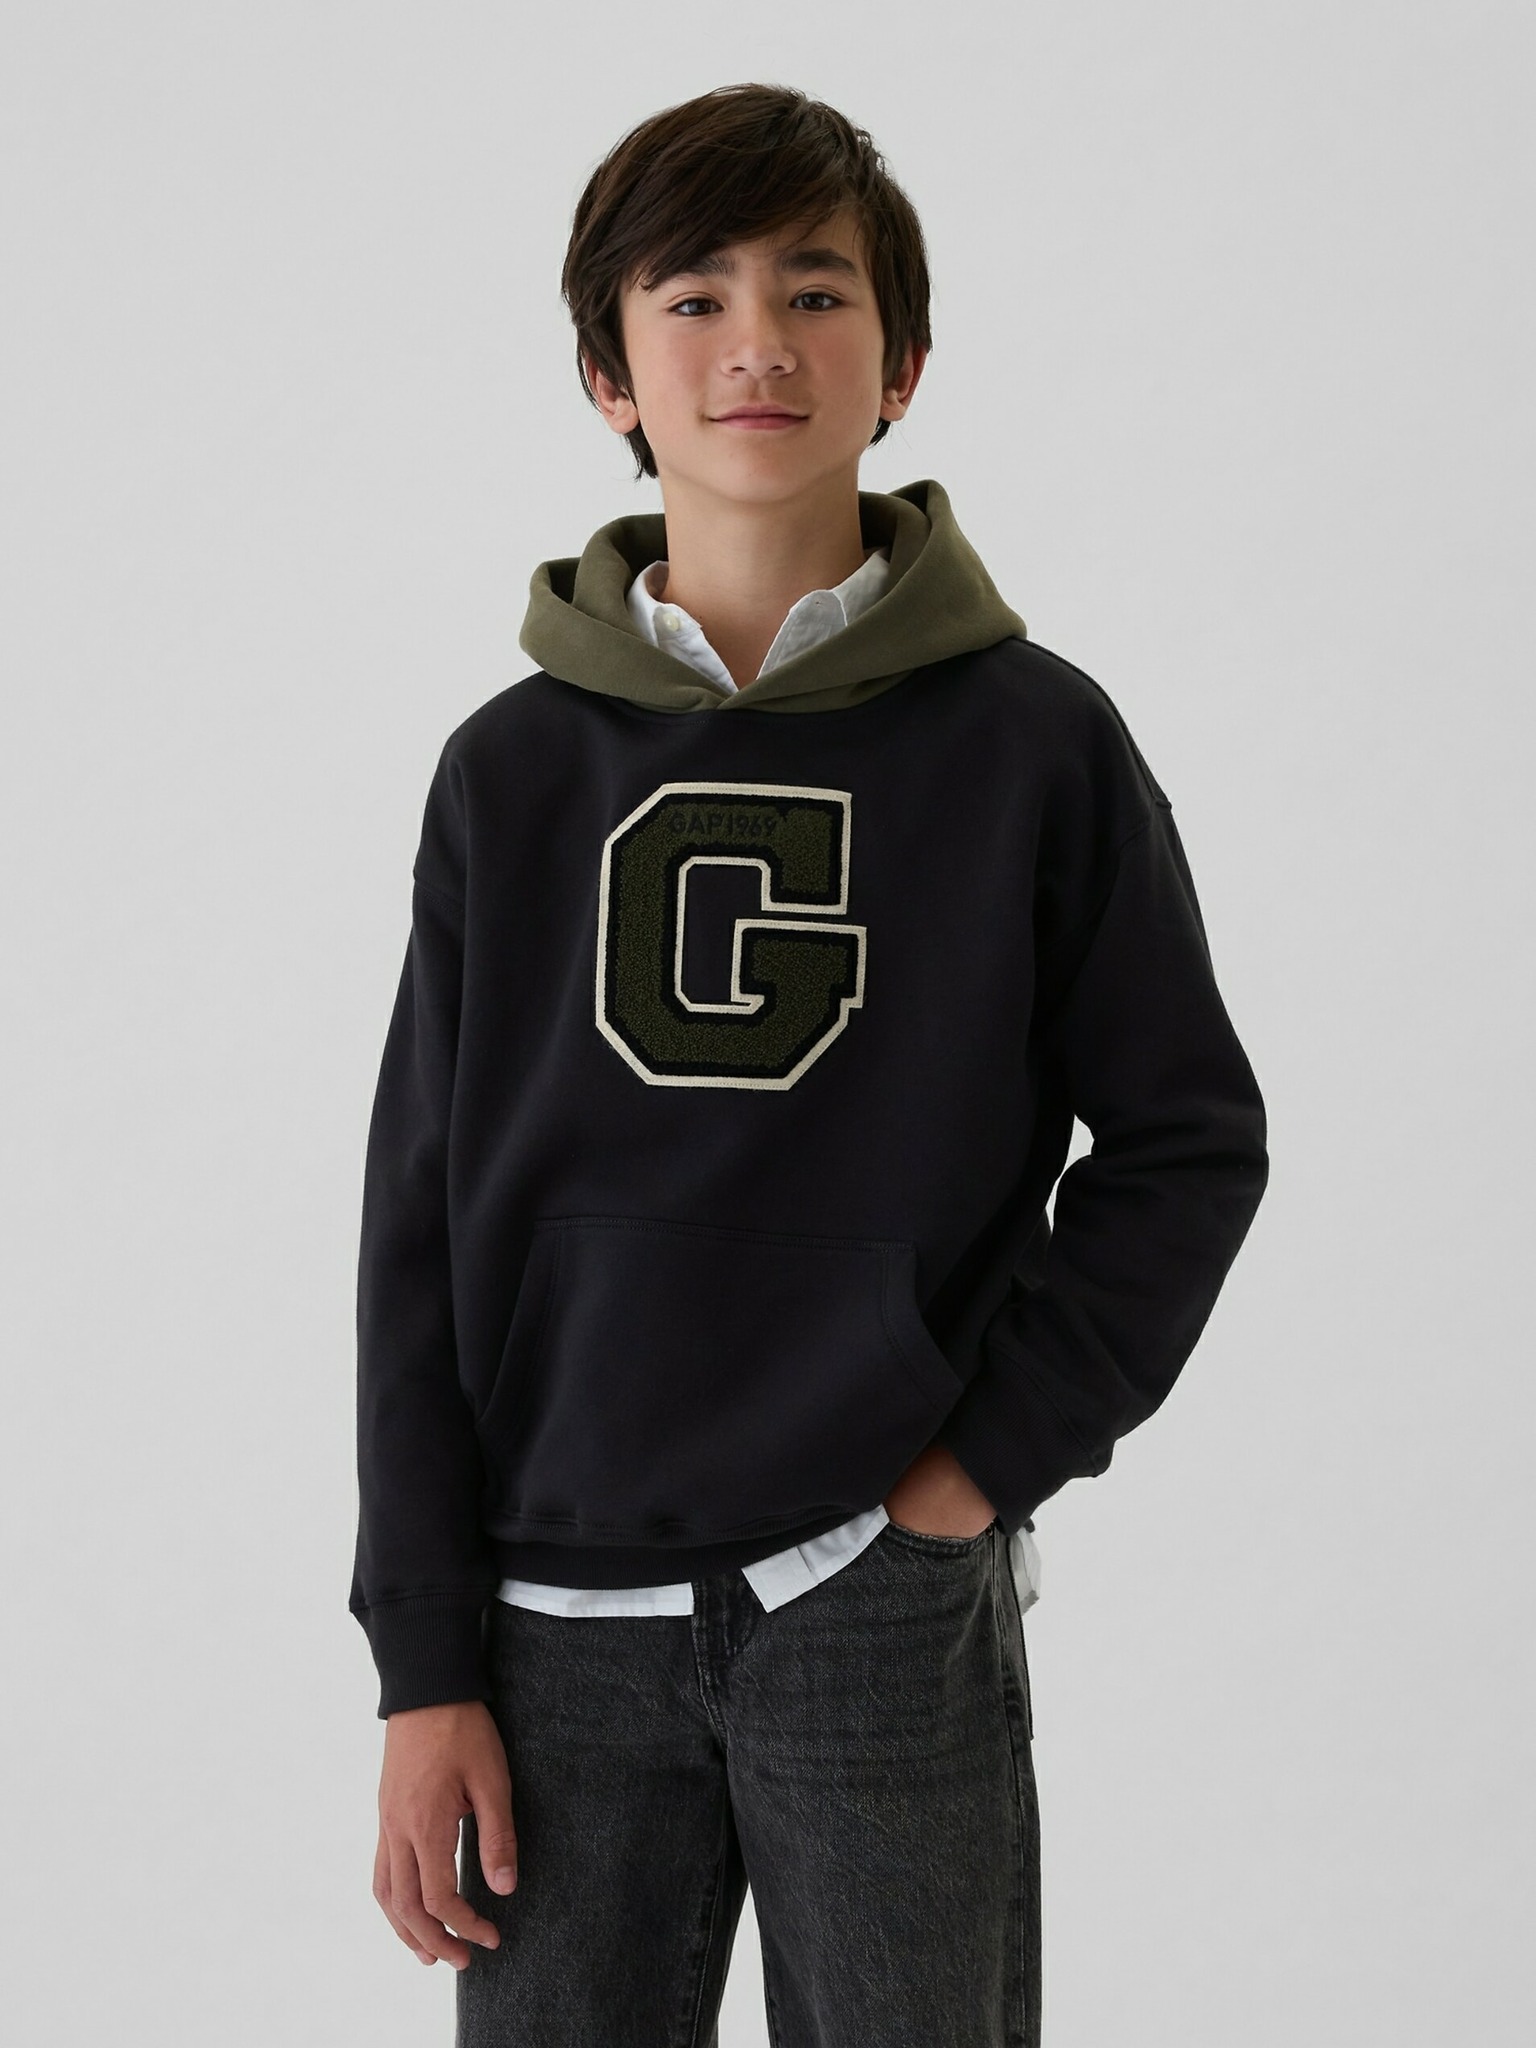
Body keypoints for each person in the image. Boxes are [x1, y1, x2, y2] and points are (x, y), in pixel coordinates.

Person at [349, 81, 1269, 2048]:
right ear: (607, 373)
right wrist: (422, 1657)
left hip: (874, 1598)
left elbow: (1188, 1139)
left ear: (903, 363)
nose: (757, 341)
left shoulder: (1033, 744)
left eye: (817, 292)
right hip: (546, 1631)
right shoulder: (507, 774)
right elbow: (417, 1229)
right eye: (693, 297)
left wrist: (972, 1473)